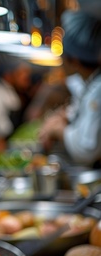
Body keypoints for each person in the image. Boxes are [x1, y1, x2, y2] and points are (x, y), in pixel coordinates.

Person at [39, 10, 101, 167]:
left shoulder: (98, 89)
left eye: (62, 54)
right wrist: (64, 117)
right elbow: (80, 108)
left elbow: (86, 151)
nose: (60, 60)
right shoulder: (90, 83)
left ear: (74, 60)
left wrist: (58, 130)